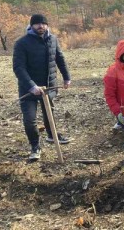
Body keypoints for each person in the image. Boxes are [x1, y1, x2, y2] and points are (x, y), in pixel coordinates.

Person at [13, 14, 71, 161]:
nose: (41, 26)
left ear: (47, 25)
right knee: (30, 119)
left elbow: (60, 59)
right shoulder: (22, 43)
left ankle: (52, 135)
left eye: (43, 24)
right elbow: (18, 68)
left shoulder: (52, 39)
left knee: (49, 113)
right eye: (37, 24)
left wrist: (66, 77)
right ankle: (35, 146)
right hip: (29, 89)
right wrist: (31, 86)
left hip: (49, 86)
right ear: (31, 26)